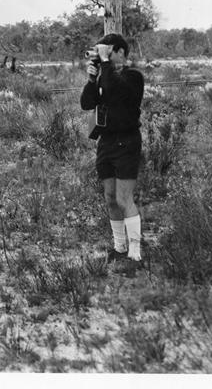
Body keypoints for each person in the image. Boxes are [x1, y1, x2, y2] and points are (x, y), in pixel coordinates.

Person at [80, 33, 145, 264]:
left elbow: (115, 89)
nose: (104, 56)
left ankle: (135, 250)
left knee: (123, 197)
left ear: (120, 52)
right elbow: (87, 103)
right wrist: (91, 80)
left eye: (108, 51)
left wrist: (105, 64)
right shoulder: (104, 76)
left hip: (127, 141)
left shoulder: (133, 77)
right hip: (106, 142)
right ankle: (119, 245)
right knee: (109, 197)